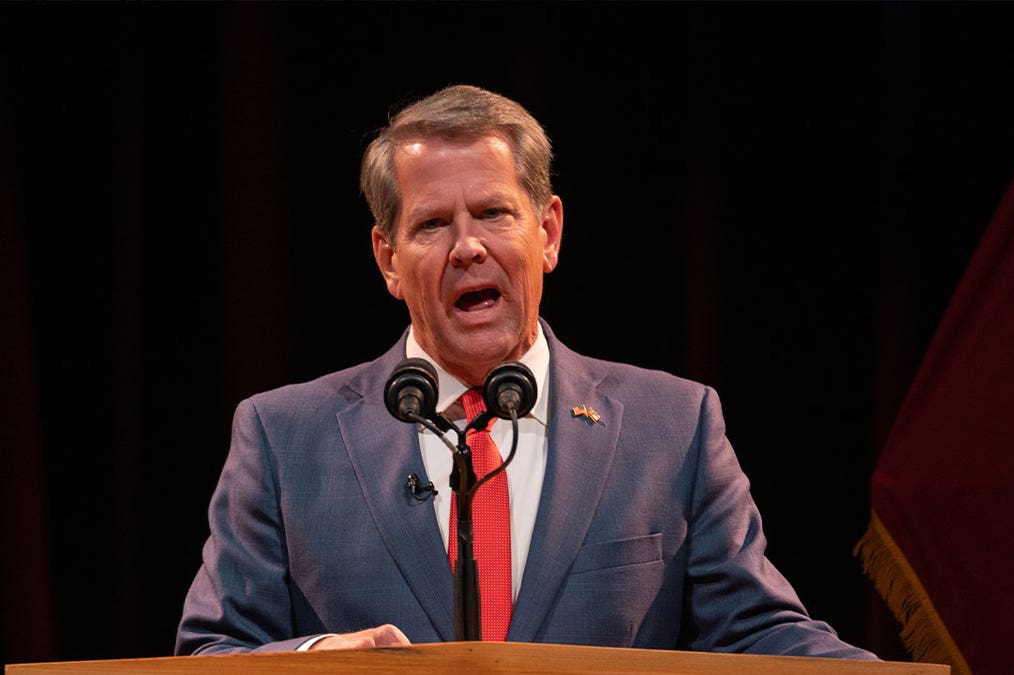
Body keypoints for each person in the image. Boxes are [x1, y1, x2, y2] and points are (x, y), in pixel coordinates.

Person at [175, 83, 879, 660]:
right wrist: (315, 658)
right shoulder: (283, 436)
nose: (467, 247)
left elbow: (757, 633)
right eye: (431, 225)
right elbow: (211, 650)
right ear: (388, 258)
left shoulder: (673, 425)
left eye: (492, 213)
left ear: (548, 231)